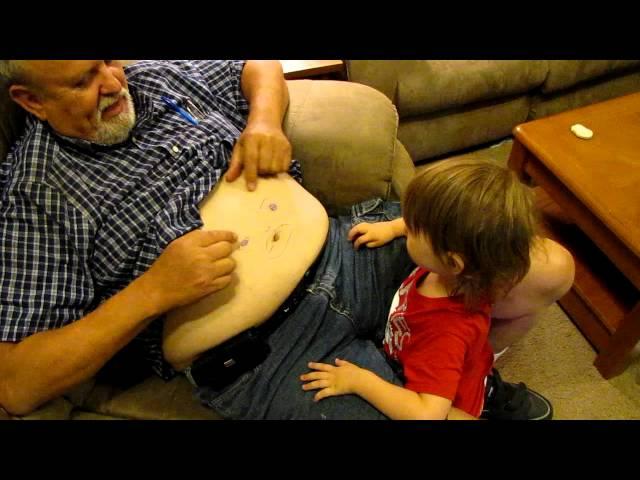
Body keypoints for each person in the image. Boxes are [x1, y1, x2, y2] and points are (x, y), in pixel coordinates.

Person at [0, 60, 575, 419]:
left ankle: (472, 382)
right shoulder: (37, 196)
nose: (113, 82)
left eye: (108, 60)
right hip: (272, 356)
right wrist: (152, 292)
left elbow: (258, 65)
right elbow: (16, 384)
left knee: (549, 269)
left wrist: (264, 122)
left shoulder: (155, 75)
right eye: (83, 80)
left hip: (353, 247)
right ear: (31, 101)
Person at [301, 158, 543, 419]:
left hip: (449, 401)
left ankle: (487, 399)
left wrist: (359, 381)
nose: (408, 224)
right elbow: (435, 227)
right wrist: (393, 228)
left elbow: (427, 414)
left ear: (453, 261)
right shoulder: (463, 271)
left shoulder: (445, 333)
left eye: (416, 228)